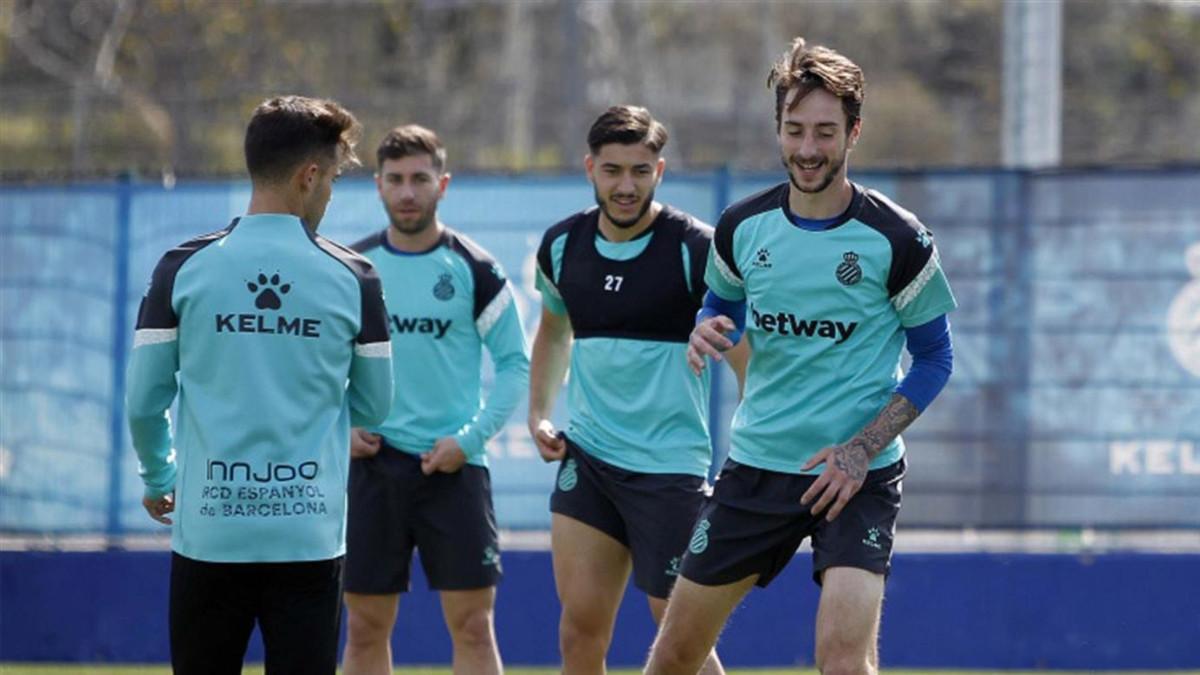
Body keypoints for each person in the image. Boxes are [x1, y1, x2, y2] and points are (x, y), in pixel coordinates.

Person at [645, 37, 957, 675]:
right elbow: (720, 305)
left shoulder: (898, 238)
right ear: (778, 131)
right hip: (757, 468)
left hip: (856, 477)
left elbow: (935, 360)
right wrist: (708, 326)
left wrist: (859, 449)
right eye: (795, 131)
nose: (808, 149)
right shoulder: (741, 226)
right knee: (674, 656)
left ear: (854, 132)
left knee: (843, 662)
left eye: (824, 132)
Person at [125, 95, 393, 675]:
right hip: (308, 535)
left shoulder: (182, 268)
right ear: (309, 175)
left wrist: (159, 476)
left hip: (210, 530)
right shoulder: (356, 278)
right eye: (333, 180)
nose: (330, 195)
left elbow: (145, 402)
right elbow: (375, 404)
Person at [529, 105, 740, 675]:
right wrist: (538, 415)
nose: (626, 186)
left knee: (681, 643)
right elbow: (553, 334)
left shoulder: (696, 249)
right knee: (579, 631)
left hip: (669, 470)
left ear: (660, 171)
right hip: (590, 461)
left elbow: (750, 363)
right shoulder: (561, 246)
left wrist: (748, 458)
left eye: (640, 171)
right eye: (613, 170)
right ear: (590, 168)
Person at [341, 125, 529, 675]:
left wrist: (467, 440)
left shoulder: (476, 269)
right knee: (363, 628)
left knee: (474, 627)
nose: (407, 192)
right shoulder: (353, 269)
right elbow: (319, 367)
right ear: (377, 186)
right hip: (374, 467)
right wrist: (341, 428)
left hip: (455, 466)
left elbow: (516, 364)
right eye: (395, 179)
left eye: (419, 179)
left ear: (442, 185)